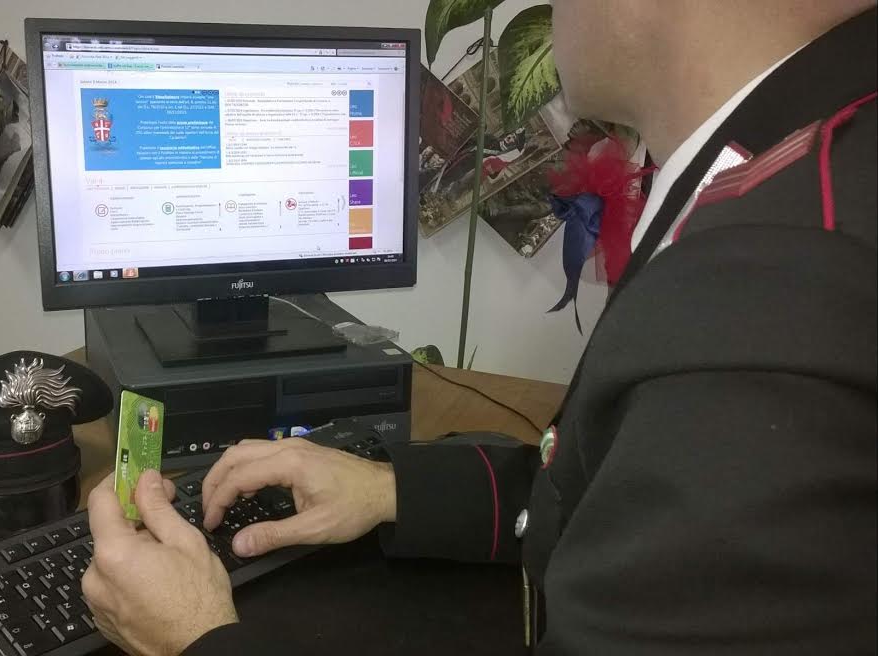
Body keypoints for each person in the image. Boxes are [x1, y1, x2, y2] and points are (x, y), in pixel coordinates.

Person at [83, 2, 877, 654]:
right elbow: (617, 493)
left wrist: (192, 638)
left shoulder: (770, 300)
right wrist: (391, 488)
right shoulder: (792, 179)